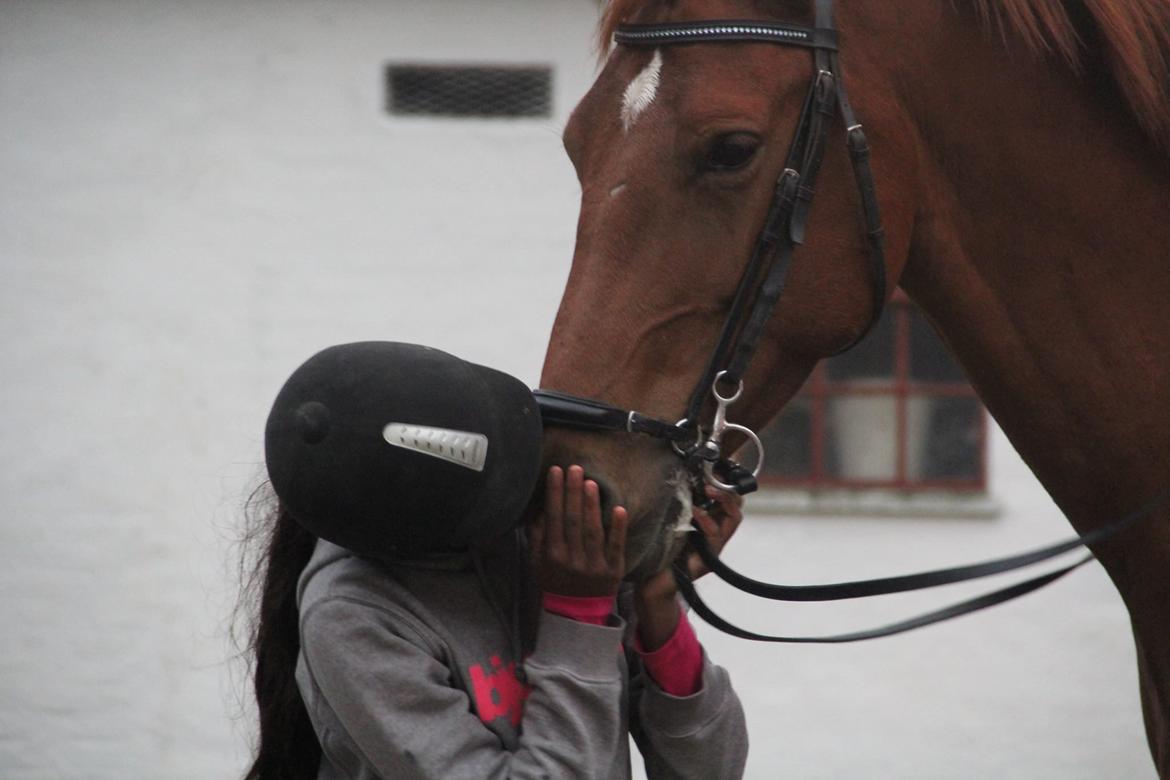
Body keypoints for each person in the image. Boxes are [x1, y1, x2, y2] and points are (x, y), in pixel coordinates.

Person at [243, 341, 748, 779]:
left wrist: (660, 606)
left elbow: (709, 771)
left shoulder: (548, 541)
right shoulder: (353, 617)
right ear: (441, 528)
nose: (532, 477)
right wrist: (576, 614)